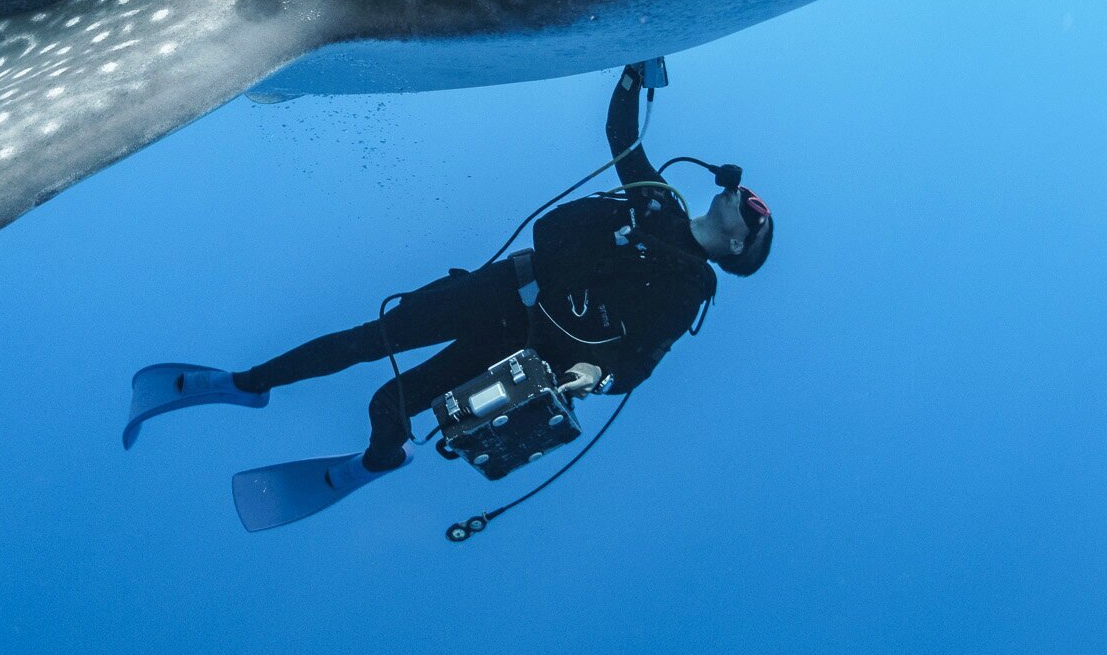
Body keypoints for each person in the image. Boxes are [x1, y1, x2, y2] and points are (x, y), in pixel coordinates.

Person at [122, 60, 775, 531]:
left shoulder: (693, 285)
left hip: (523, 345)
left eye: (752, 208)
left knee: (387, 395)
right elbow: (623, 139)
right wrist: (636, 64)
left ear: (741, 244)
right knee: (365, 341)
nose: (740, 195)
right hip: (506, 285)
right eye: (747, 194)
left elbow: (632, 371)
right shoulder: (660, 198)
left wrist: (579, 379)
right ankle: (243, 383)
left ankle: (373, 460)